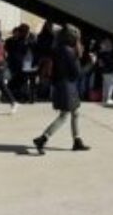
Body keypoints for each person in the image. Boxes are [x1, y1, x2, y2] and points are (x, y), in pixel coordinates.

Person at [32, 25, 89, 155]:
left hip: (61, 86)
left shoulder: (57, 48)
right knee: (64, 116)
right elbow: (77, 73)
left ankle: (77, 141)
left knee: (75, 113)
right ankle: (43, 138)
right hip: (67, 88)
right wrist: (91, 63)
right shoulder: (69, 51)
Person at [5, 24, 36, 103]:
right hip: (19, 64)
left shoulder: (31, 39)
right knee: (20, 81)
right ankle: (21, 96)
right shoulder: (13, 41)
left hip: (29, 64)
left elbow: (35, 49)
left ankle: (28, 97)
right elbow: (11, 51)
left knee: (27, 81)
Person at [94, 36, 113, 106]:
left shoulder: (101, 54)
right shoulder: (108, 54)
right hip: (109, 70)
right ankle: (108, 98)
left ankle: (104, 98)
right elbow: (110, 62)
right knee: (110, 85)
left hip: (104, 71)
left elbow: (100, 64)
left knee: (105, 84)